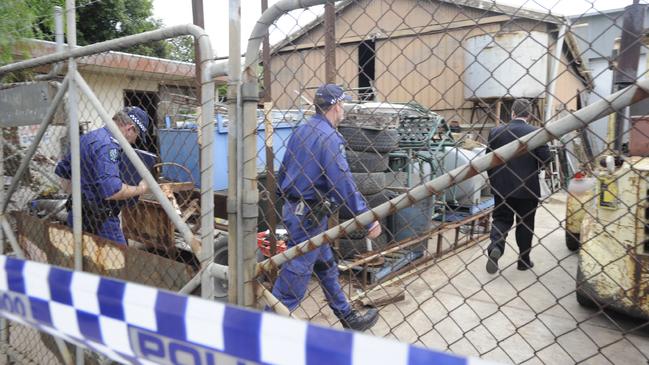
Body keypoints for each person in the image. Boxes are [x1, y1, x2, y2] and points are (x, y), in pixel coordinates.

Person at [272, 84, 381, 331]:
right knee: (296, 274)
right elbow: (342, 182)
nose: (344, 110)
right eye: (343, 105)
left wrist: (289, 199)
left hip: (295, 208)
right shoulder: (329, 138)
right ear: (336, 106)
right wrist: (367, 219)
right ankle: (267, 324)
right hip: (309, 215)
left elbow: (283, 169)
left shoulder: (302, 130)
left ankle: (347, 316)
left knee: (325, 265)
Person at [55, 106, 151, 245]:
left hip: (77, 213)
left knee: (82, 260)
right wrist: (141, 188)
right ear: (130, 128)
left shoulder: (87, 138)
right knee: (120, 263)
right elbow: (112, 190)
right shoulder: (109, 147)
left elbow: (63, 172)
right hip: (102, 221)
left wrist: (83, 196)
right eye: (137, 136)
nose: (135, 141)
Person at [486, 99, 552, 274]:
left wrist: (495, 180)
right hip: (527, 187)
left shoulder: (496, 132)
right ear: (528, 115)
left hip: (502, 187)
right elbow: (546, 158)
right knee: (525, 223)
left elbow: (487, 160)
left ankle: (496, 247)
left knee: (501, 219)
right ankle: (524, 261)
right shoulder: (535, 132)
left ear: (512, 113)